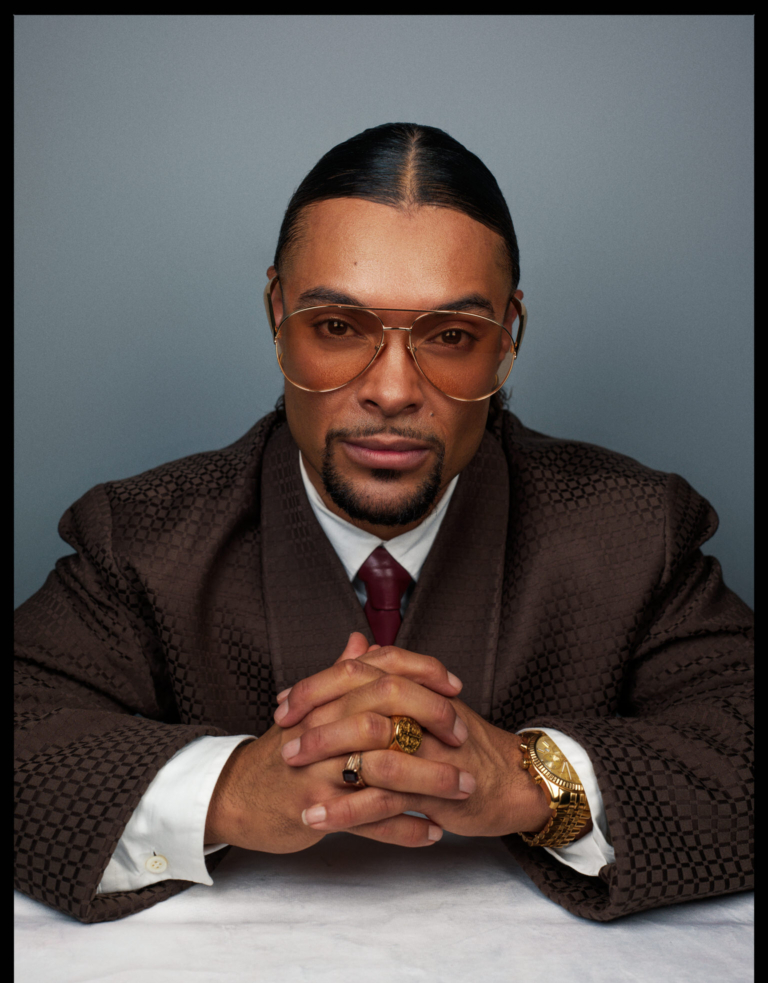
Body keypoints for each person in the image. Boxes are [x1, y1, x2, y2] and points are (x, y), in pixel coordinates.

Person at [14, 123, 753, 925]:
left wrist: (533, 781)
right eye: (337, 327)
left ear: (507, 338)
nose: (393, 391)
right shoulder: (141, 537)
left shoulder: (635, 531)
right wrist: (228, 791)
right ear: (277, 314)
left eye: (452, 336)